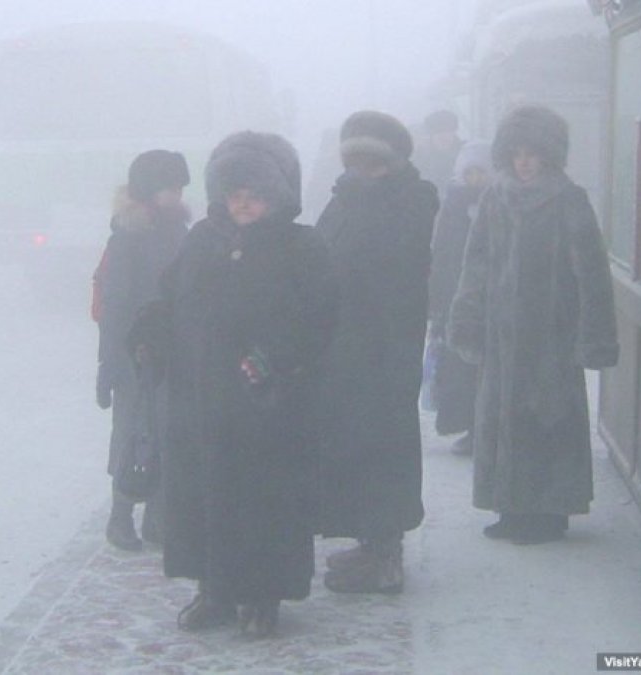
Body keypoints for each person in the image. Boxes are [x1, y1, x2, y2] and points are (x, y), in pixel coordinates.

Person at [140, 132, 337, 637]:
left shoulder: (301, 246)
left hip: (268, 405)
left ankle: (264, 595)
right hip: (202, 400)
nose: (242, 205)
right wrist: (150, 332)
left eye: (254, 194)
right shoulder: (202, 240)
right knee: (205, 497)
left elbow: (319, 320)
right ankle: (215, 590)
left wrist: (276, 359)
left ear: (276, 196)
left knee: (265, 502)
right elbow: (172, 298)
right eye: (234, 194)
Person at [447, 105, 619, 545]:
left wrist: (592, 334)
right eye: (517, 153)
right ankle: (510, 505)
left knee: (548, 419)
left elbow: (592, 274)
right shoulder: (494, 197)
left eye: (533, 154)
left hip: (552, 335)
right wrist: (467, 317)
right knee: (502, 418)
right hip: (502, 334)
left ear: (548, 155)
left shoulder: (568, 199)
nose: (524, 162)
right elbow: (477, 263)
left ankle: (548, 508)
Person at [316, 111, 439, 594]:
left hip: (383, 349)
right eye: (355, 163)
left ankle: (386, 552)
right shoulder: (346, 200)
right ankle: (370, 543)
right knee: (353, 449)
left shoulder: (408, 202)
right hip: (345, 349)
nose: (362, 172)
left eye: (373, 163)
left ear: (393, 162)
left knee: (383, 449)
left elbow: (389, 273)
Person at [94, 150, 190, 551]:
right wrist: (109, 364)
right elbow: (114, 305)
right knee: (133, 433)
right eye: (172, 187)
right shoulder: (129, 237)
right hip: (134, 355)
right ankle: (120, 518)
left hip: (169, 351)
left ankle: (156, 518)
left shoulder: (177, 231)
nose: (179, 194)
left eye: (181, 187)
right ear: (152, 190)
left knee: (167, 432)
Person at [428, 141, 493, 455]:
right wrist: (439, 304)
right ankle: (469, 427)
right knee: (460, 369)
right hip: (457, 298)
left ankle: (487, 428)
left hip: (491, 300)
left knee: (487, 370)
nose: (476, 179)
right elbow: (440, 254)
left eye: (481, 172)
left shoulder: (499, 205)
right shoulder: (451, 207)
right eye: (470, 173)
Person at [412, 109, 465, 194]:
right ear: (431, 134)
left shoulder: (466, 155)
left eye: (448, 131)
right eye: (439, 132)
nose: (444, 136)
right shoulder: (419, 157)